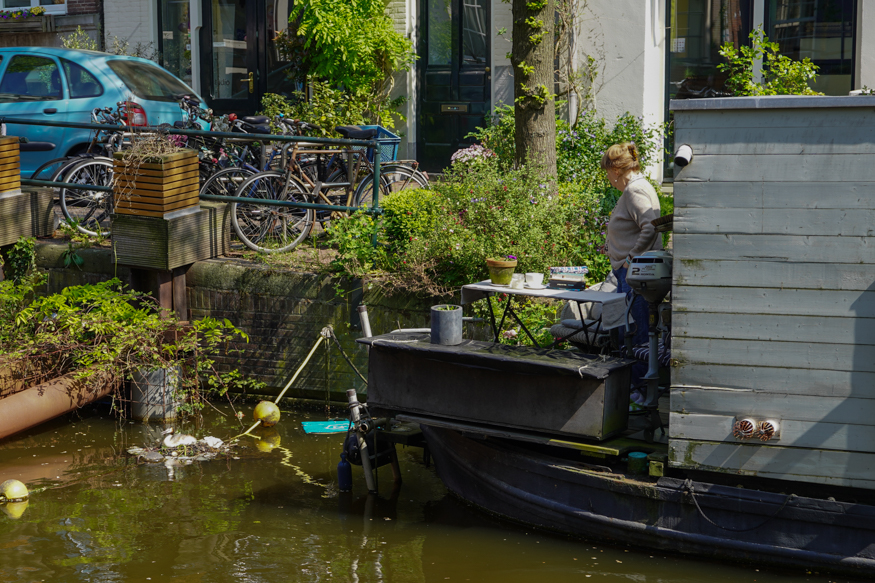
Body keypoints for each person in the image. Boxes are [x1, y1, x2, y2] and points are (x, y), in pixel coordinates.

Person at [601, 143, 663, 405]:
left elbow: (649, 228)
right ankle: (638, 391)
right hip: (635, 274)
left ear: (615, 170)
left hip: (636, 275)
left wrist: (629, 258)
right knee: (630, 330)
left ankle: (637, 393)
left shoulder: (634, 189)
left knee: (635, 334)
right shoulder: (638, 186)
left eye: (606, 172)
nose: (606, 178)